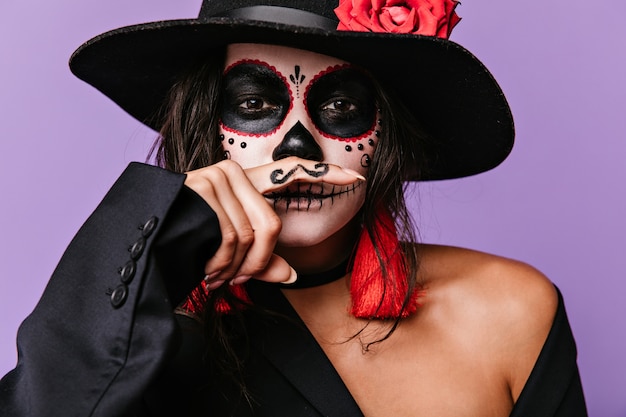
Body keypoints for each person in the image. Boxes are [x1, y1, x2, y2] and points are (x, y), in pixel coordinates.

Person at [0, 0, 587, 416]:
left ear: (388, 135)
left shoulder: (508, 308)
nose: (298, 149)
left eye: (338, 107)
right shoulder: (154, 337)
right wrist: (149, 239)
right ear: (206, 123)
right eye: (255, 102)